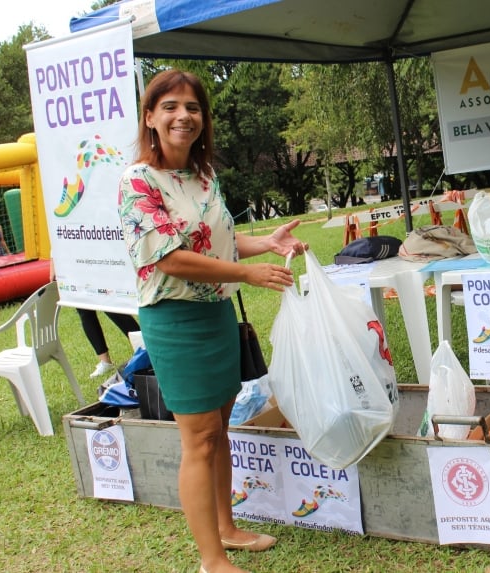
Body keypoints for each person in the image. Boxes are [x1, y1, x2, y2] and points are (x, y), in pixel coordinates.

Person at [117, 69, 307, 573]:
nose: (184, 116)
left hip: (217, 315)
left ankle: (227, 528)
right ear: (150, 117)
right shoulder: (138, 181)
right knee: (198, 440)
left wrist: (266, 244)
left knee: (220, 431)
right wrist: (247, 272)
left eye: (193, 107)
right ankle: (211, 560)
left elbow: (216, 242)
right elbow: (170, 258)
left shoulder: (202, 178)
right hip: (176, 321)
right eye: (171, 106)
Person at [49, 261, 140, 377]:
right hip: (73, 263)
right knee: (84, 310)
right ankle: (105, 361)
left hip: (95, 260)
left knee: (111, 306)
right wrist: (53, 264)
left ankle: (144, 347)